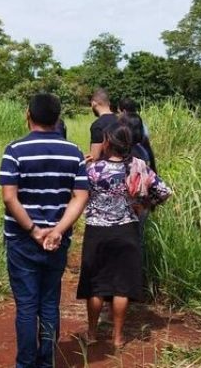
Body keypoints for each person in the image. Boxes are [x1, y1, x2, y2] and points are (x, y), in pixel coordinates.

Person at [0, 93, 89, 368]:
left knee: (27, 306)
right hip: (57, 241)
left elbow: (9, 197)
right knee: (49, 303)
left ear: (28, 115)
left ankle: (26, 364)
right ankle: (46, 361)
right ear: (57, 118)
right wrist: (58, 230)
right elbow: (80, 196)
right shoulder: (74, 152)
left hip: (22, 240)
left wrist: (35, 231)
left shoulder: (14, 151)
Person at [77, 123, 172, 348]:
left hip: (97, 231)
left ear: (107, 142)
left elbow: (77, 194)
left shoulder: (93, 169)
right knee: (121, 286)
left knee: (96, 285)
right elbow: (164, 191)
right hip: (127, 230)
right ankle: (118, 337)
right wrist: (144, 204)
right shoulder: (139, 167)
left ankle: (91, 334)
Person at [87, 88, 117, 162]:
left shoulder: (98, 125)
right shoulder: (122, 120)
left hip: (106, 168)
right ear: (108, 103)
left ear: (94, 103)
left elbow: (95, 156)